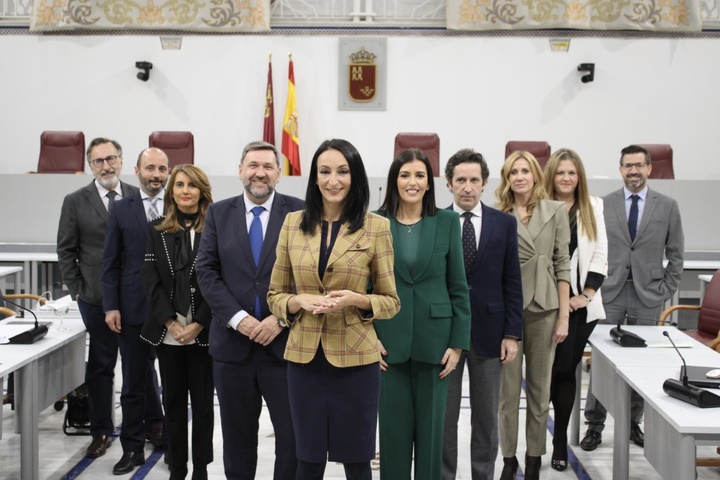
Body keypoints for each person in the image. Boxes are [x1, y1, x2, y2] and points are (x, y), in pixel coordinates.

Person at [267, 138, 400, 480]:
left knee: (357, 461)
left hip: (357, 361)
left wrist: (358, 300)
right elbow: (275, 295)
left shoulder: (377, 227)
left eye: (342, 171)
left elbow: (390, 300)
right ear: (314, 178)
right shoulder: (292, 223)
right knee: (307, 460)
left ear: (355, 176)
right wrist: (298, 301)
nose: (333, 180)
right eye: (324, 172)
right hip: (304, 359)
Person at [196, 141, 303, 480]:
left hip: (284, 347)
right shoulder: (218, 213)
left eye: (268, 166)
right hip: (233, 348)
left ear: (279, 174)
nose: (260, 173)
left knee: (292, 440)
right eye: (253, 165)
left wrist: (281, 317)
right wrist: (239, 320)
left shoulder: (300, 213)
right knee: (238, 440)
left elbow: (310, 273)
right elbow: (206, 271)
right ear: (240, 170)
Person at [580, 144, 684, 452]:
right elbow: (592, 247)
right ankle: (594, 426)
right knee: (600, 360)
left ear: (650, 168)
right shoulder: (602, 204)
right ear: (620, 169)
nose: (634, 171)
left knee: (642, 363)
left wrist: (665, 289)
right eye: (628, 166)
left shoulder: (667, 206)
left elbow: (677, 254)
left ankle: (632, 424)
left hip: (648, 295)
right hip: (609, 293)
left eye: (639, 165)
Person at [375, 148, 471, 480]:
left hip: (436, 347)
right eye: (405, 175)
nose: (412, 182)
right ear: (394, 180)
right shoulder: (375, 221)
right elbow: (365, 289)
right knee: (392, 440)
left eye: (419, 175)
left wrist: (458, 345)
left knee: (432, 443)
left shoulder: (446, 222)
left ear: (429, 183)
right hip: (388, 346)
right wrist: (369, 339)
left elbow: (458, 286)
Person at [441, 148, 523, 480]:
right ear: (449, 183)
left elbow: (512, 281)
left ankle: (482, 475)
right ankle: (445, 475)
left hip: (491, 333)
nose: (467, 187)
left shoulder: (504, 223)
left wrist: (512, 333)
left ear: (485, 183)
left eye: (474, 180)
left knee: (487, 418)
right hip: (445, 334)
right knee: (445, 418)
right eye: (460, 180)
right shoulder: (437, 221)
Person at [57, 137, 138, 459]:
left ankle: (147, 425)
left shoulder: (136, 195)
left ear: (120, 160)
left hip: (134, 299)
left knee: (140, 366)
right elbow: (66, 250)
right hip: (94, 298)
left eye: (111, 159)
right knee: (101, 367)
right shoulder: (75, 201)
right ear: (90, 166)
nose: (106, 166)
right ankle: (101, 431)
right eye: (98, 161)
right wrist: (77, 289)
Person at [495, 151, 570, 480]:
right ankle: (509, 459)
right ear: (507, 178)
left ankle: (535, 457)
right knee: (507, 393)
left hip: (545, 307)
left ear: (536, 175)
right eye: (514, 172)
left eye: (526, 170)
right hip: (507, 311)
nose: (520, 176)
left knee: (541, 390)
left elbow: (562, 263)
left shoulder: (555, 210)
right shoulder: (498, 214)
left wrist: (564, 315)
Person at [141, 164, 215, 480]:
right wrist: (171, 322)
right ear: (172, 191)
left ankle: (200, 469)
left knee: (202, 405)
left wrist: (198, 322)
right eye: (179, 185)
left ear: (202, 191)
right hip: (168, 331)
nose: (185, 190)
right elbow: (151, 281)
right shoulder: (157, 229)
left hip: (203, 331)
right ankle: (177, 466)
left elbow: (219, 281)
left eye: (191, 185)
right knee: (172, 403)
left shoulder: (215, 227)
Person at [101, 148, 169, 474]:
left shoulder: (180, 203)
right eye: (150, 167)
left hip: (174, 312)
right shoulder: (121, 208)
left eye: (162, 168)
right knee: (132, 385)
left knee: (174, 383)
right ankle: (132, 448)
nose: (156, 174)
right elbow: (111, 262)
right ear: (137, 170)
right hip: (132, 309)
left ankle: (174, 444)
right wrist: (111, 306)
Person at [543, 148, 608, 471]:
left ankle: (559, 444)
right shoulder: (539, 205)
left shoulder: (593, 206)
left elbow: (600, 255)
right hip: (544, 303)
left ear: (579, 176)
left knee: (566, 370)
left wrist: (584, 295)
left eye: (572, 172)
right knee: (547, 372)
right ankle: (539, 439)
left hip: (580, 306)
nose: (566, 178)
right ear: (551, 175)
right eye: (560, 172)